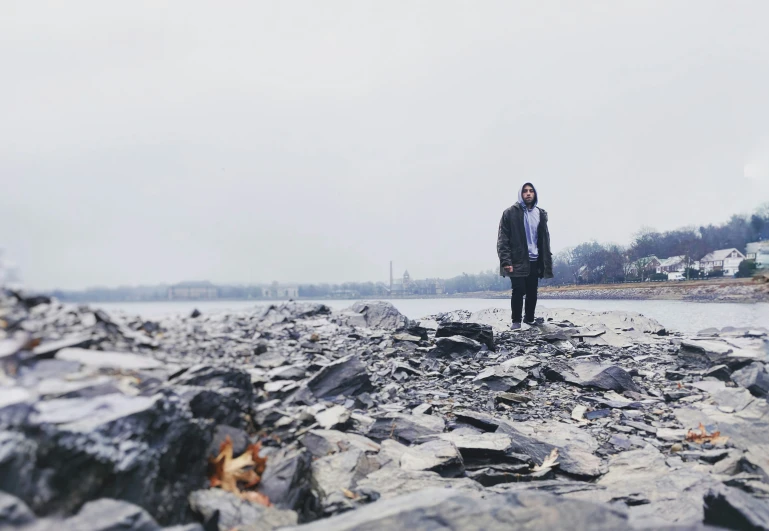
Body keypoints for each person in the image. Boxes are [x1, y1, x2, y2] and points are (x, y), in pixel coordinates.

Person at [497, 182, 553, 329]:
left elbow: (544, 239)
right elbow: (503, 239)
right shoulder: (509, 213)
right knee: (518, 290)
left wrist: (545, 260)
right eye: (525, 191)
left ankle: (529, 318)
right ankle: (516, 321)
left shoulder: (540, 214)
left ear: (535, 194)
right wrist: (505, 261)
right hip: (517, 260)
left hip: (535, 259)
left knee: (532, 291)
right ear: (520, 194)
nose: (528, 193)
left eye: (531, 191)